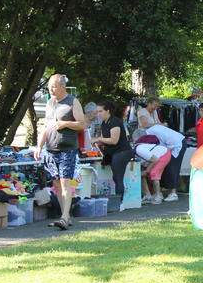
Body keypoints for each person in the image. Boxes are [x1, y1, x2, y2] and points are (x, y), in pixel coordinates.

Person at [35, 74, 85, 230]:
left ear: (63, 86)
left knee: (65, 183)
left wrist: (65, 124)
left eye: (54, 87)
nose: (51, 90)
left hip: (67, 148)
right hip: (50, 149)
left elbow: (82, 124)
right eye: (49, 87)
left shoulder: (72, 101)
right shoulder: (50, 103)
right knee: (56, 184)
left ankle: (64, 217)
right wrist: (39, 146)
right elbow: (45, 126)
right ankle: (66, 216)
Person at [91, 101, 133, 200]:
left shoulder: (115, 122)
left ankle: (120, 203)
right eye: (97, 112)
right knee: (116, 178)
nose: (98, 114)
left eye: (100, 111)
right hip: (115, 153)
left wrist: (98, 139)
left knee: (118, 178)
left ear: (108, 111)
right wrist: (94, 142)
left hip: (123, 152)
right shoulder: (104, 123)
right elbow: (104, 139)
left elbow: (114, 140)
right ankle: (119, 201)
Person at [145, 123, 187, 202]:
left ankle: (173, 193)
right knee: (167, 166)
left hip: (177, 144)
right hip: (176, 142)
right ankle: (164, 191)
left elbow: (163, 146)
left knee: (173, 167)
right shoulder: (152, 130)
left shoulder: (151, 134)